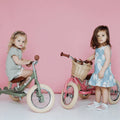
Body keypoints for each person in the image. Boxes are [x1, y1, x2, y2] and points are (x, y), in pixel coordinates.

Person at [87, 25, 116, 110]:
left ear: (107, 36)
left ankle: (104, 104)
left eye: (103, 35)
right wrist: (90, 58)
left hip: (104, 72)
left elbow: (108, 60)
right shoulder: (98, 48)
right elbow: (95, 55)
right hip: (97, 71)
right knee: (97, 87)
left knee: (103, 88)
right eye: (98, 36)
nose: (100, 37)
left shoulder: (106, 48)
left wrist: (102, 71)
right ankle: (97, 102)